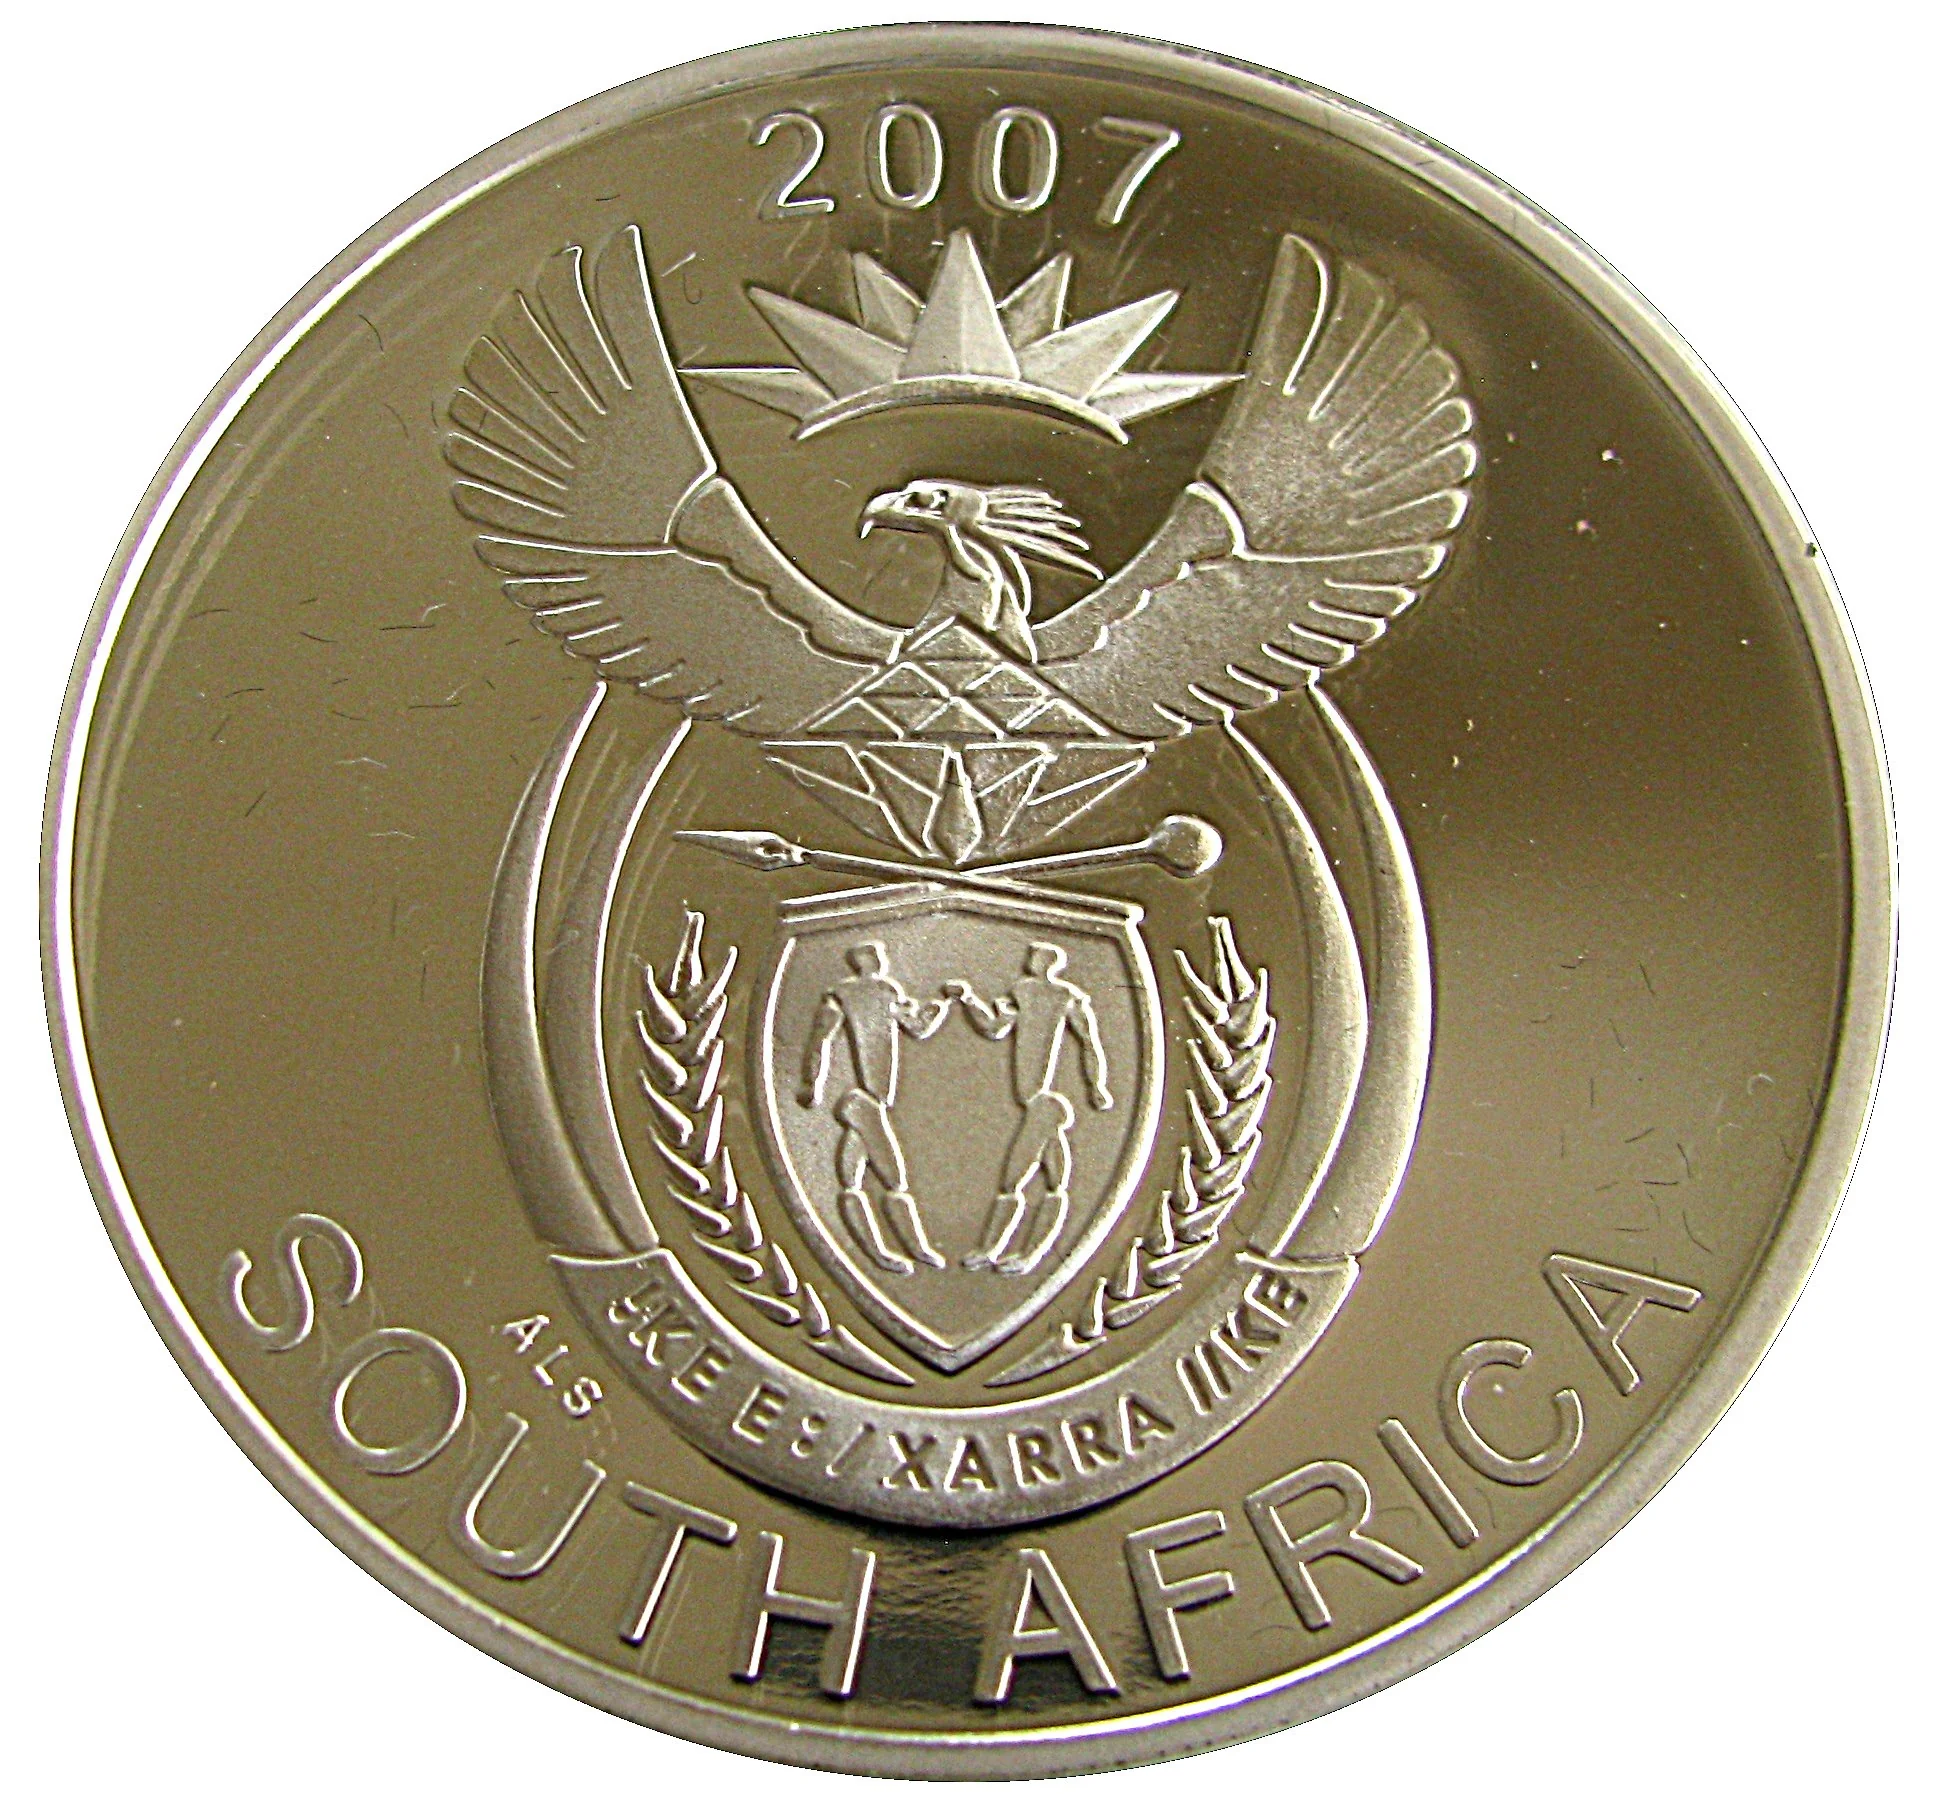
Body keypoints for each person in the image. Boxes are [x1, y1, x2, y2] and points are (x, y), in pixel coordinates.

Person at [946, 942, 1112, 1274]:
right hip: (1038, 1103)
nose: (1030, 961)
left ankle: (1004, 1253)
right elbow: (995, 1028)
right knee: (1053, 1183)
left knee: (1016, 1182)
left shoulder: (1062, 996)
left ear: (1045, 963)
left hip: (1043, 1104)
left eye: (1035, 957)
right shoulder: (1024, 992)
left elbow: (1088, 1042)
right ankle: (1020, 1255)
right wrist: (968, 999)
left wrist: (1097, 1086)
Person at [798, 941, 950, 1274]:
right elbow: (821, 1040)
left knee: (853, 1180)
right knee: (892, 1179)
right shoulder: (855, 993)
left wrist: (938, 1006)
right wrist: (812, 1083)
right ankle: (903, 1251)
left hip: (872, 1100)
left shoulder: (880, 991)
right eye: (875, 957)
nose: (880, 962)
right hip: (864, 1100)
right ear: (866, 961)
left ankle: (886, 1253)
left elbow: (917, 1027)